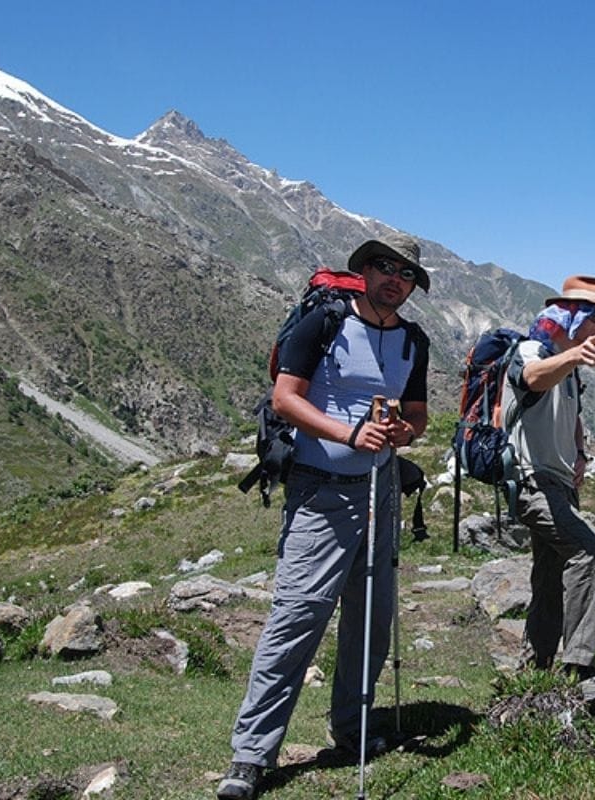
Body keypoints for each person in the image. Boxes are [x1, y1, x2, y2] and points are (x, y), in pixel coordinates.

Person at [216, 237, 430, 800]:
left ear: (412, 285)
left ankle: (352, 731)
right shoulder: (326, 322)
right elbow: (286, 398)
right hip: (320, 492)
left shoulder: (414, 340)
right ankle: (251, 755)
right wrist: (350, 434)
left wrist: (403, 432)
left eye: (405, 273)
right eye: (383, 267)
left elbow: (417, 412)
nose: (394, 279)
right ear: (362, 272)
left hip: (380, 490)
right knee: (296, 620)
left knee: (371, 617)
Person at [501, 275, 595, 704]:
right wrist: (573, 356)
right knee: (589, 551)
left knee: (550, 578)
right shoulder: (534, 350)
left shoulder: (571, 367)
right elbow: (532, 378)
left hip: (559, 482)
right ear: (575, 318)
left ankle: (532, 676)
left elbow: (570, 413)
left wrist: (580, 454)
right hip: (531, 480)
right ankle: (579, 669)